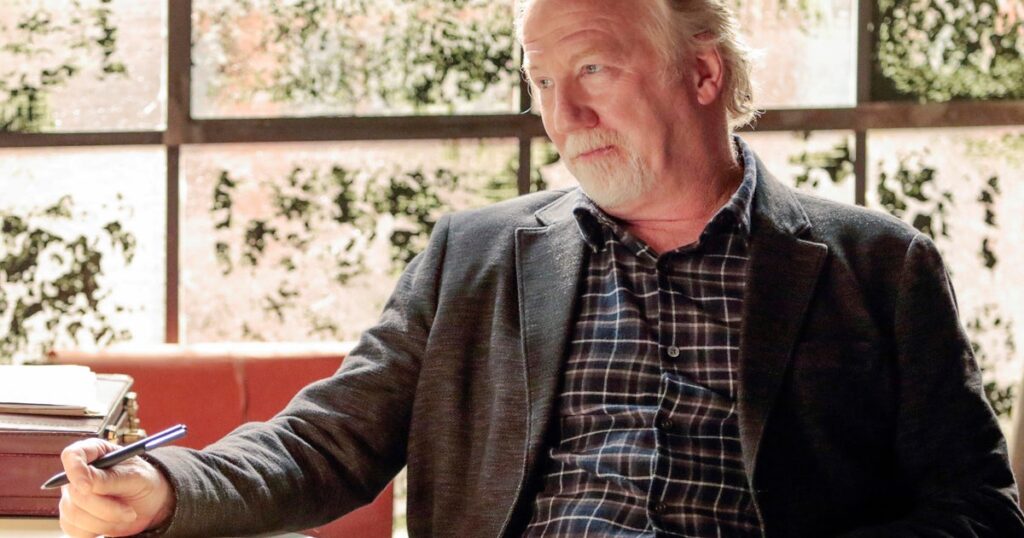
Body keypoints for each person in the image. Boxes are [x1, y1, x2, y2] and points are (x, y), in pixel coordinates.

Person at [57, 0, 1024, 536]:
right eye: (543, 83)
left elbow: (976, 508)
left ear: (703, 73)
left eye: (593, 69)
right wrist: (168, 487)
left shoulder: (878, 264)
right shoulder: (473, 256)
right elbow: (326, 443)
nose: (563, 116)